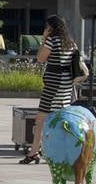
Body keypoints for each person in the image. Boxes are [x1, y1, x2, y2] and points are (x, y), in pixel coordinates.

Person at [22, 15, 77, 165]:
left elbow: (40, 58)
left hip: (53, 85)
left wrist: (44, 39)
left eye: (47, 27)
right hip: (66, 85)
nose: (45, 29)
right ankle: (63, 151)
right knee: (62, 119)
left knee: (40, 119)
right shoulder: (70, 42)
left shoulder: (52, 40)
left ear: (52, 27)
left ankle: (34, 152)